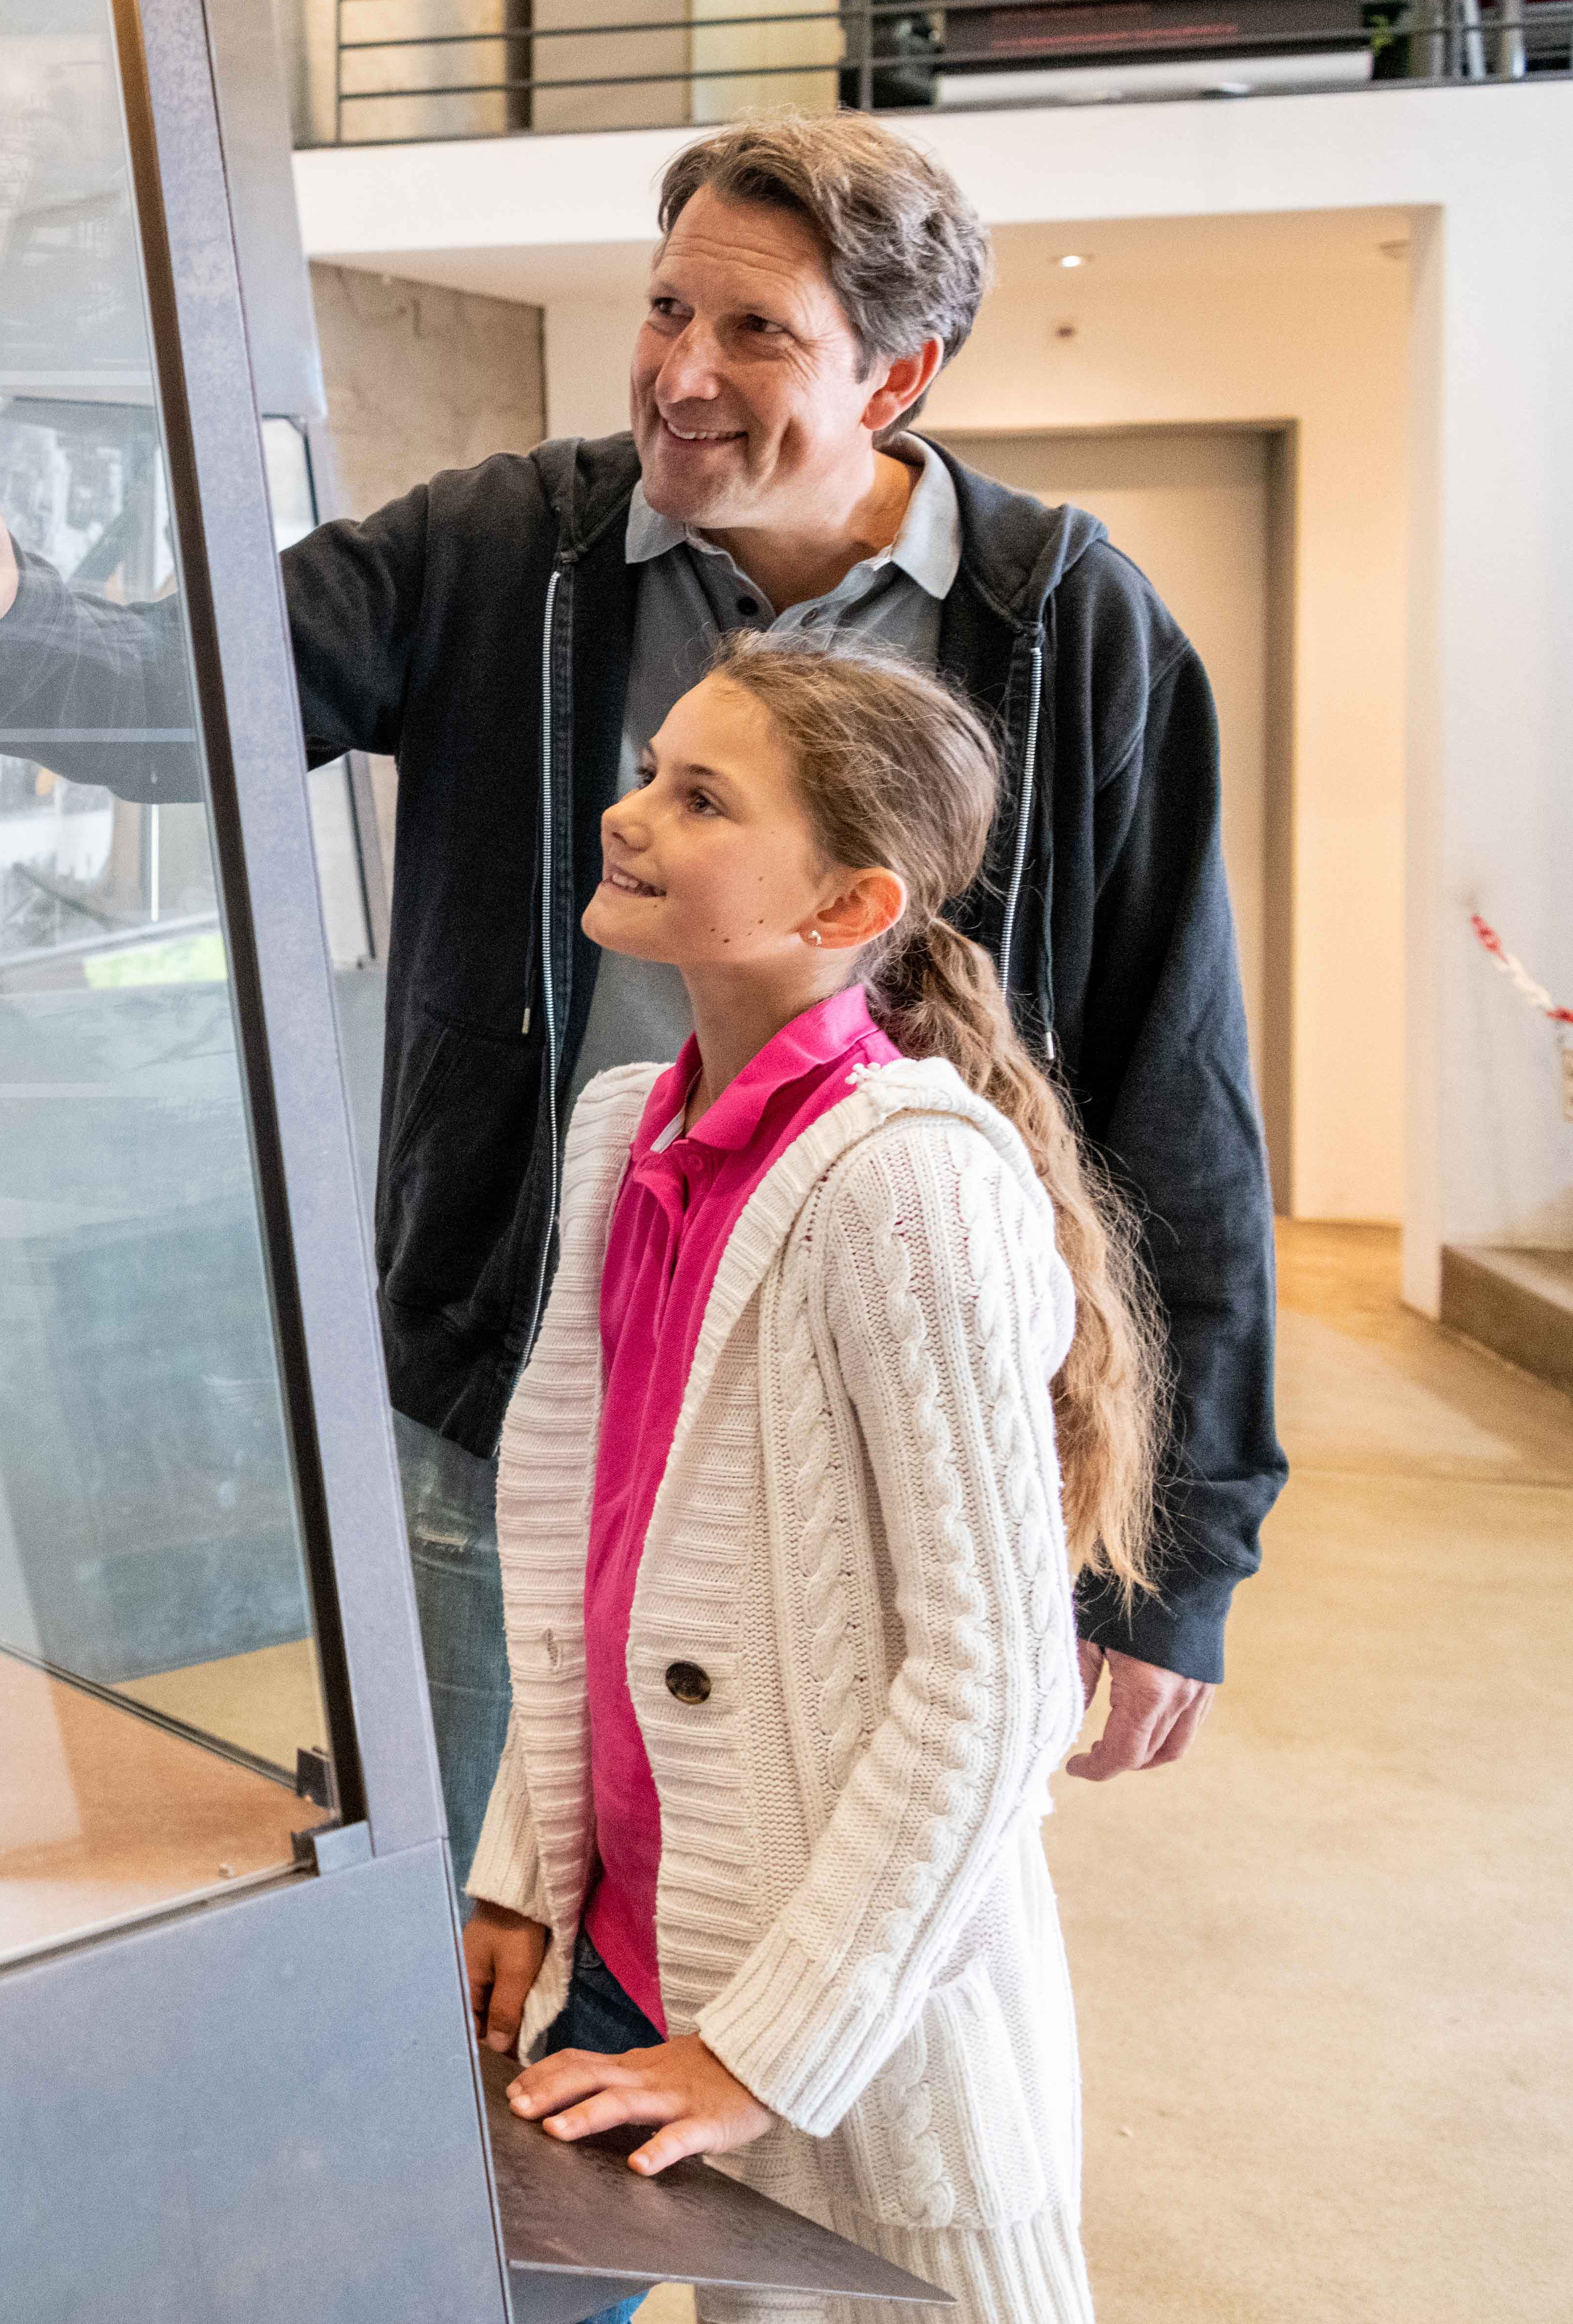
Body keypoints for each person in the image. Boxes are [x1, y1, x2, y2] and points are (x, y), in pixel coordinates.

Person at [0, 112, 1278, 1875]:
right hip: (512, 1385)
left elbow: (1176, 1097)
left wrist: (1173, 1562)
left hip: (879, 1436)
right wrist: (4, 608)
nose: (678, 375)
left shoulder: (1068, 628)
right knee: (442, 1905)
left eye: (754, 333)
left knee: (778, 1932)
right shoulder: (495, 548)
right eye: (666, 308)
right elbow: (195, 691)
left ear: (895, 374)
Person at [466, 630, 1143, 2321]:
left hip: (840, 2018)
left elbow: (990, 1691)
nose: (628, 816)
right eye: (644, 770)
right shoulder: (623, 1128)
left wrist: (764, 2053)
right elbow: (589, 1569)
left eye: (698, 798)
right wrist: (516, 1866)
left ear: (844, 908)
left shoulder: (904, 1186)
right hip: (627, 1947)